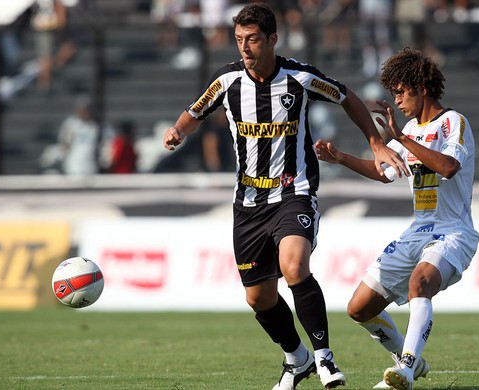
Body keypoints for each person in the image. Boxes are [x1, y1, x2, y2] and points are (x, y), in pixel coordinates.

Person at [162, 3, 407, 389]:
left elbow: (348, 98)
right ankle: (297, 358)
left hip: (294, 191)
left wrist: (375, 143)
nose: (245, 47)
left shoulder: (300, 78)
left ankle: (325, 358)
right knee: (258, 299)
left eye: (253, 39)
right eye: (240, 39)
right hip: (247, 203)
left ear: (273, 39)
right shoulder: (226, 81)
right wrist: (178, 131)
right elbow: (195, 112)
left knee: (294, 267)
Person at [314, 47, 479, 389]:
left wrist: (401, 137)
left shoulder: (453, 122)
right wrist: (341, 158)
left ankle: (405, 366)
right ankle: (412, 363)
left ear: (422, 87)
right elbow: (385, 171)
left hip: (452, 233)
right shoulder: (410, 130)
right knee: (359, 308)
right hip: (418, 231)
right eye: (395, 94)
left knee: (420, 283)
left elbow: (449, 167)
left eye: (402, 92)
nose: (398, 100)